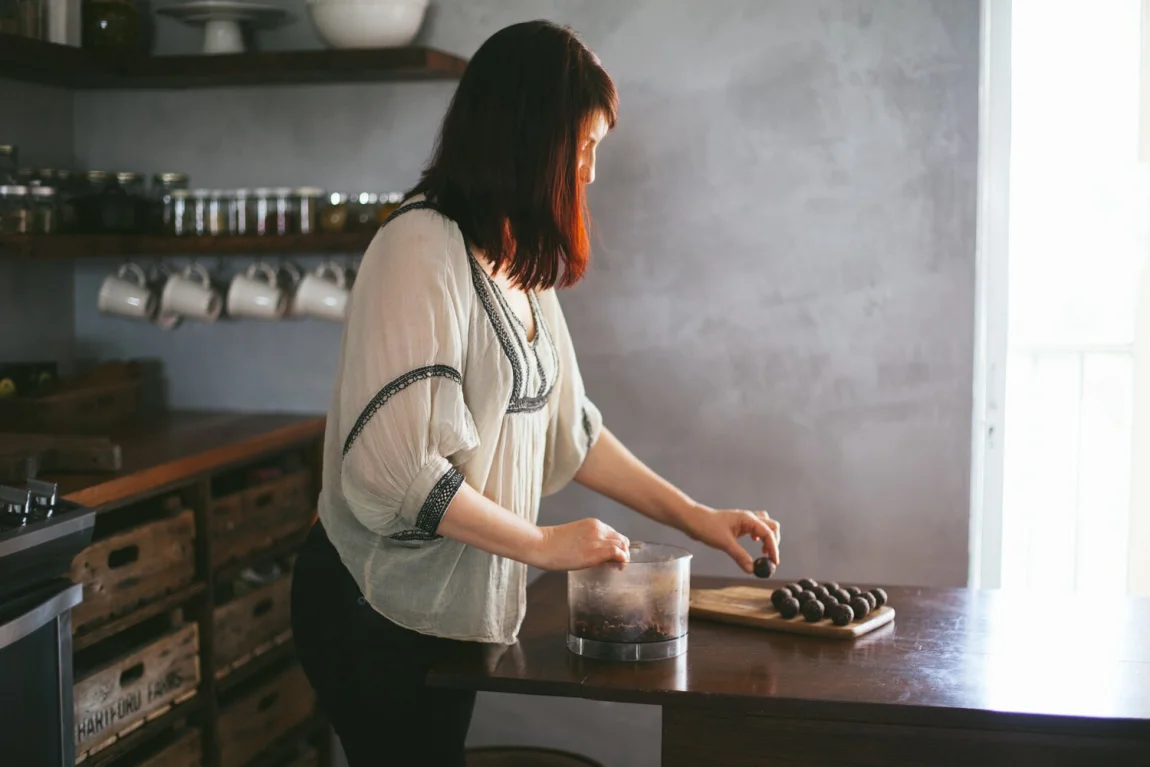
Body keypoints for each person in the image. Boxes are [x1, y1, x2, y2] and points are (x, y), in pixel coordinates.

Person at [290, 19, 782, 767]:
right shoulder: (419, 248)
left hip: (446, 615)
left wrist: (697, 517)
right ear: (528, 137)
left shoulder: (518, 265)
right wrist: (544, 544)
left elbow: (571, 432)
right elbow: (397, 473)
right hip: (371, 602)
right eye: (582, 148)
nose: (588, 173)